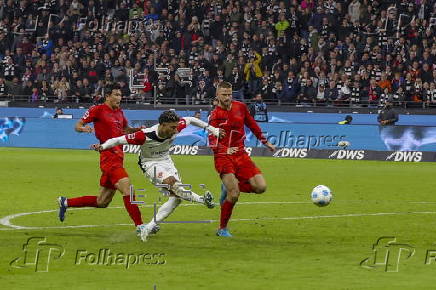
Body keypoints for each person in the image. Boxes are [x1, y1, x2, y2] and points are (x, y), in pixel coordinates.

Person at [92, 110, 225, 241]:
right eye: (172, 127)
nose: (175, 130)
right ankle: (203, 200)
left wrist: (213, 129)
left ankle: (149, 227)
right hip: (150, 164)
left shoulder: (177, 126)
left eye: (176, 127)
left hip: (167, 161)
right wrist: (102, 147)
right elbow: (117, 140)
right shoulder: (144, 136)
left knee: (176, 198)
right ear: (162, 125)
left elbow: (191, 119)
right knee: (172, 183)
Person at [57, 83, 147, 240]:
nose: (119, 98)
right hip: (108, 157)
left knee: (102, 201)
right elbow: (77, 125)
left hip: (118, 156)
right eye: (116, 95)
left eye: (120, 95)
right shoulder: (97, 110)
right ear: (108, 96)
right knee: (128, 189)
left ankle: (65, 202)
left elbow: (125, 131)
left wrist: (140, 130)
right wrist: (84, 129)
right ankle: (140, 226)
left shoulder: (120, 113)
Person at [208, 81, 276, 237]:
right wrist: (225, 149)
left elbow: (252, 124)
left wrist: (265, 141)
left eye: (229, 94)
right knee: (234, 194)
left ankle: (230, 185)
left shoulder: (241, 107)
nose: (227, 97)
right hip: (223, 157)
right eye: (224, 94)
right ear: (217, 95)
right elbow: (212, 142)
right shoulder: (215, 116)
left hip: (241, 154)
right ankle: (222, 229)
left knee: (261, 187)